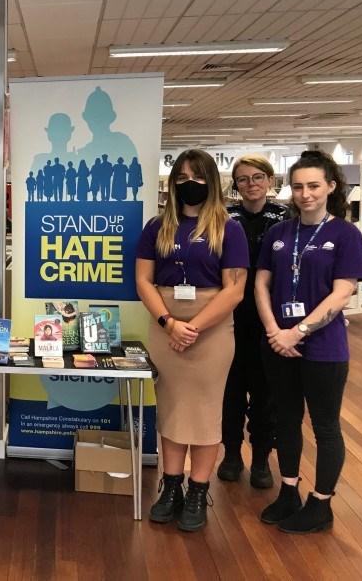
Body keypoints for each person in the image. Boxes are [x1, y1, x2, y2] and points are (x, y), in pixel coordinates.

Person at [135, 148, 248, 532]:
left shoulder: (228, 228)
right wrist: (169, 323)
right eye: (181, 177)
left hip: (212, 329)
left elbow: (234, 291)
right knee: (169, 406)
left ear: (211, 181)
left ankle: (199, 489)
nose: (189, 184)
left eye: (197, 177)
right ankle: (171, 487)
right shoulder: (157, 226)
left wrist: (193, 327)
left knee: (204, 409)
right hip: (164, 324)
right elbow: (143, 281)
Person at [254, 151, 362, 534]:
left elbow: (342, 293)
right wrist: (274, 332)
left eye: (314, 186)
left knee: (325, 427)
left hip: (324, 349)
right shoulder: (279, 234)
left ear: (331, 187)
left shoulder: (345, 234)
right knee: (285, 419)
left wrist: (296, 332)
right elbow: (261, 284)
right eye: (298, 186)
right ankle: (288, 491)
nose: (305, 194)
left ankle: (321, 502)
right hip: (279, 345)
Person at [219, 156, 290, 488]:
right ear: (236, 185)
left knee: (266, 394)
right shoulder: (223, 219)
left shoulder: (285, 219)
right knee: (230, 392)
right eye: (243, 179)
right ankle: (231, 454)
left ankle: (261, 457)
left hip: (270, 319)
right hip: (230, 318)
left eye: (257, 177)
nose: (251, 184)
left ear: (270, 180)